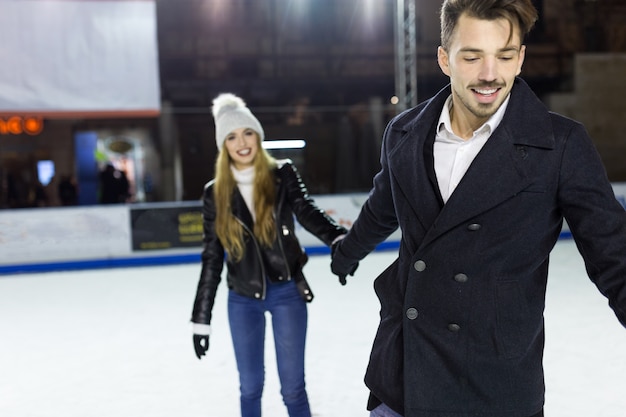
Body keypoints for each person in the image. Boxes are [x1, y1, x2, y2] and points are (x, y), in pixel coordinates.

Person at [330, 1, 626, 416]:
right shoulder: (403, 134)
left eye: (504, 56)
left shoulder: (560, 146)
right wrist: (346, 253)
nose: (490, 74)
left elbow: (615, 254)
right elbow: (383, 209)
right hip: (404, 376)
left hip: (495, 386)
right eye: (472, 56)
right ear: (444, 59)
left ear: (520, 58)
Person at [190, 93, 347, 417]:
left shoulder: (282, 174)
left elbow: (307, 211)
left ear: (257, 135)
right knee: (250, 388)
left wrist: (339, 240)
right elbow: (212, 257)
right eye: (231, 136)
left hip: (286, 291)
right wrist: (201, 319)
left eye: (247, 132)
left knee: (292, 389)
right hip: (243, 298)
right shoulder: (213, 193)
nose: (242, 142)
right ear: (224, 145)